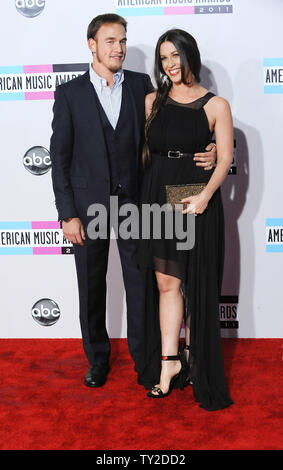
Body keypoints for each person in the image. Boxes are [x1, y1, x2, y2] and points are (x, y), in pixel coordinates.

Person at [50, 14, 217, 389]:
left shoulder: (143, 86)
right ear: (91, 44)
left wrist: (212, 147)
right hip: (87, 206)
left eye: (123, 40)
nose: (119, 48)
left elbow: (179, 125)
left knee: (141, 285)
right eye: (110, 41)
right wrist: (67, 214)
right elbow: (58, 159)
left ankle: (148, 361)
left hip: (137, 204)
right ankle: (97, 360)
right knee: (91, 287)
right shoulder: (70, 94)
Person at [137, 29, 234, 411]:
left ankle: (194, 359)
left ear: (189, 55)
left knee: (194, 285)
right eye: (163, 58)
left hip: (194, 197)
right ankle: (168, 363)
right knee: (166, 283)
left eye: (175, 55)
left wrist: (206, 195)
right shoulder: (151, 102)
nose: (170, 64)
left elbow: (224, 157)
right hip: (159, 197)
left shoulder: (216, 105)